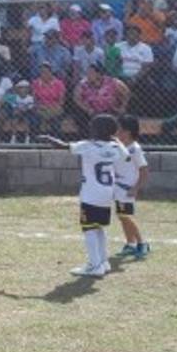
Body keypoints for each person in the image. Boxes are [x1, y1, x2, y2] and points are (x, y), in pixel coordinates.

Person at [40, 114, 128, 278]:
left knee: (88, 228)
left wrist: (48, 138)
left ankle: (95, 265)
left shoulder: (88, 145)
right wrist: (116, 140)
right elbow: (126, 157)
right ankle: (103, 262)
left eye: (93, 127)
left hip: (91, 194)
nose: (90, 129)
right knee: (99, 227)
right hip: (107, 193)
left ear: (97, 130)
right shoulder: (115, 147)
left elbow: (64, 146)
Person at [114, 115, 150, 260]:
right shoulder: (118, 146)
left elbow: (144, 170)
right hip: (118, 187)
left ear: (127, 132)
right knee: (122, 216)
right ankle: (130, 243)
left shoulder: (135, 149)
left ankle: (142, 243)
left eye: (119, 130)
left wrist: (136, 188)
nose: (116, 132)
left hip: (127, 189)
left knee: (125, 215)